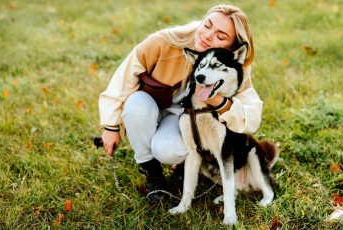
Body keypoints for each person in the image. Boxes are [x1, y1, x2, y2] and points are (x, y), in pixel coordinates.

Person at [98, 4, 263, 201]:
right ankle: (152, 173)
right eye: (207, 25)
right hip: (150, 106)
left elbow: (251, 116)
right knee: (136, 107)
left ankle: (184, 166)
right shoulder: (164, 41)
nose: (208, 35)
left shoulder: (232, 67)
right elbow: (121, 80)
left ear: (232, 47)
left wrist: (219, 101)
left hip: (183, 118)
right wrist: (111, 125)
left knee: (169, 150)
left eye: (220, 36)